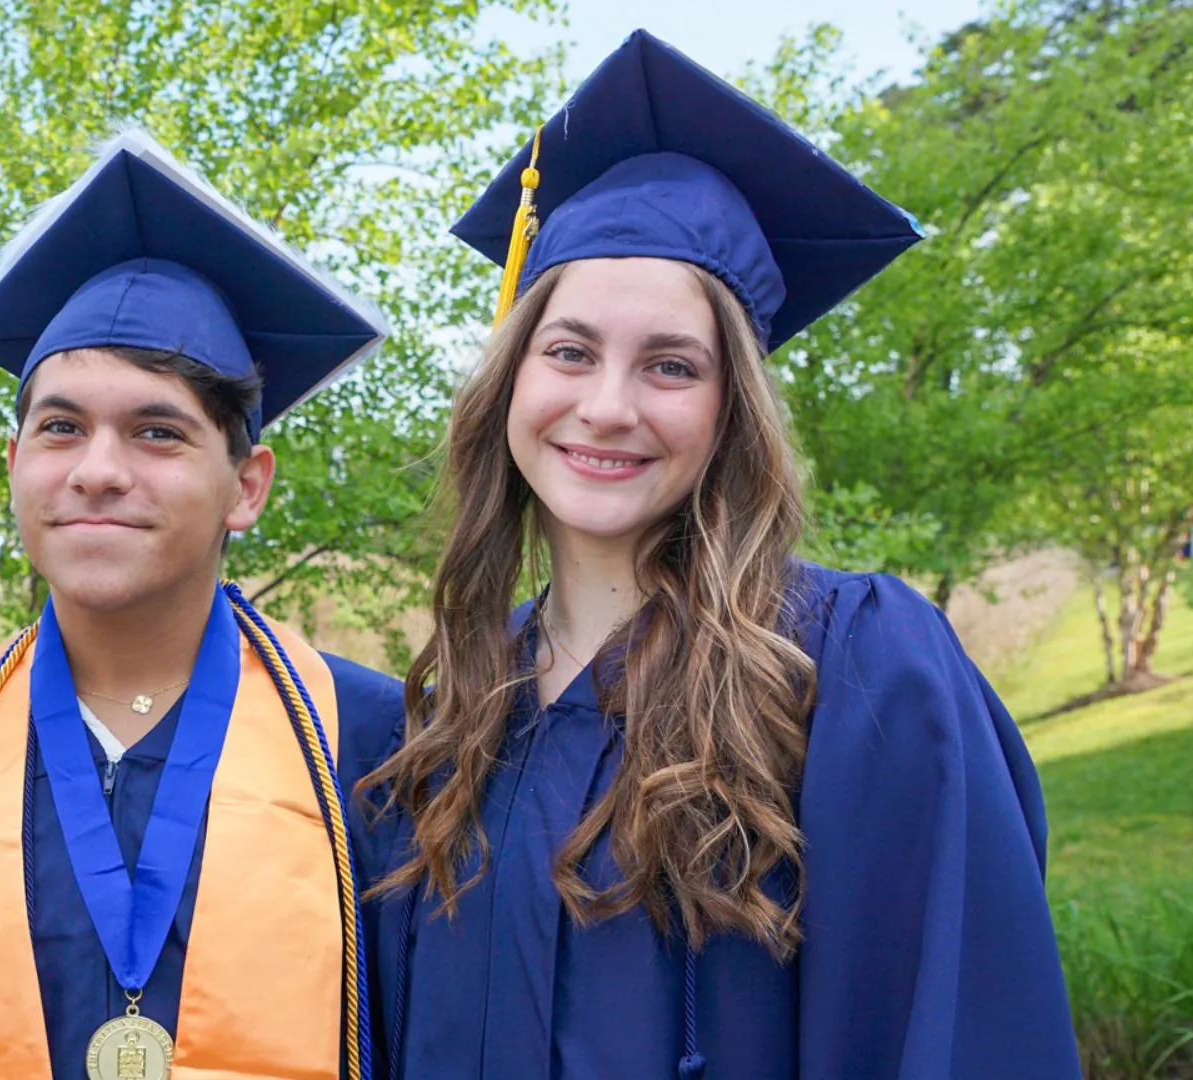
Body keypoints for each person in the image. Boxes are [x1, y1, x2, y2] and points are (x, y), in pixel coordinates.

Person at [354, 31, 1081, 1078]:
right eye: (568, 351)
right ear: (511, 381)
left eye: (670, 365)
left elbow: (956, 1028)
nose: (606, 406)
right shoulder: (454, 714)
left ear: (731, 408)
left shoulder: (853, 670)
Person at [0, 131, 409, 1080]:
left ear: (247, 486)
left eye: (158, 432)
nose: (99, 471)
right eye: (61, 427)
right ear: (17, 464)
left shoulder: (374, 742)